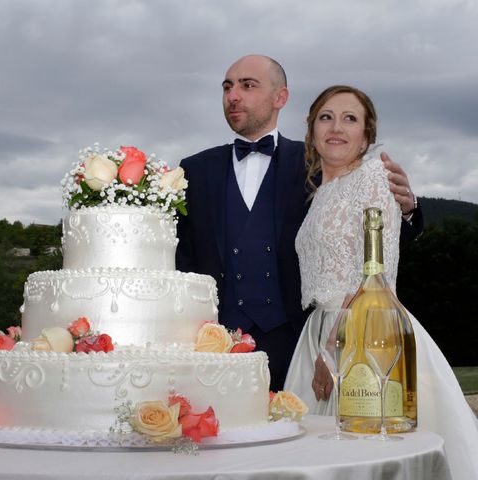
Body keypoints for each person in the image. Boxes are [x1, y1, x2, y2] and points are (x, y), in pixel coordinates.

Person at [176, 55, 422, 390]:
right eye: (227, 87)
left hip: (297, 342)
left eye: (248, 85)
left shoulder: (319, 159)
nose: (233, 95)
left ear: (281, 98)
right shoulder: (194, 170)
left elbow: (371, 249)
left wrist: (408, 210)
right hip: (216, 346)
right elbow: (182, 259)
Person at [283, 84, 478, 480]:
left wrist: (334, 350)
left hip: (366, 332)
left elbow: (378, 273)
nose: (336, 127)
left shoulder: (374, 177)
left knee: (371, 449)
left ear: (367, 137)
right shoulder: (320, 193)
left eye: (349, 118)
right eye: (326, 117)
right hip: (317, 331)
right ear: (312, 131)